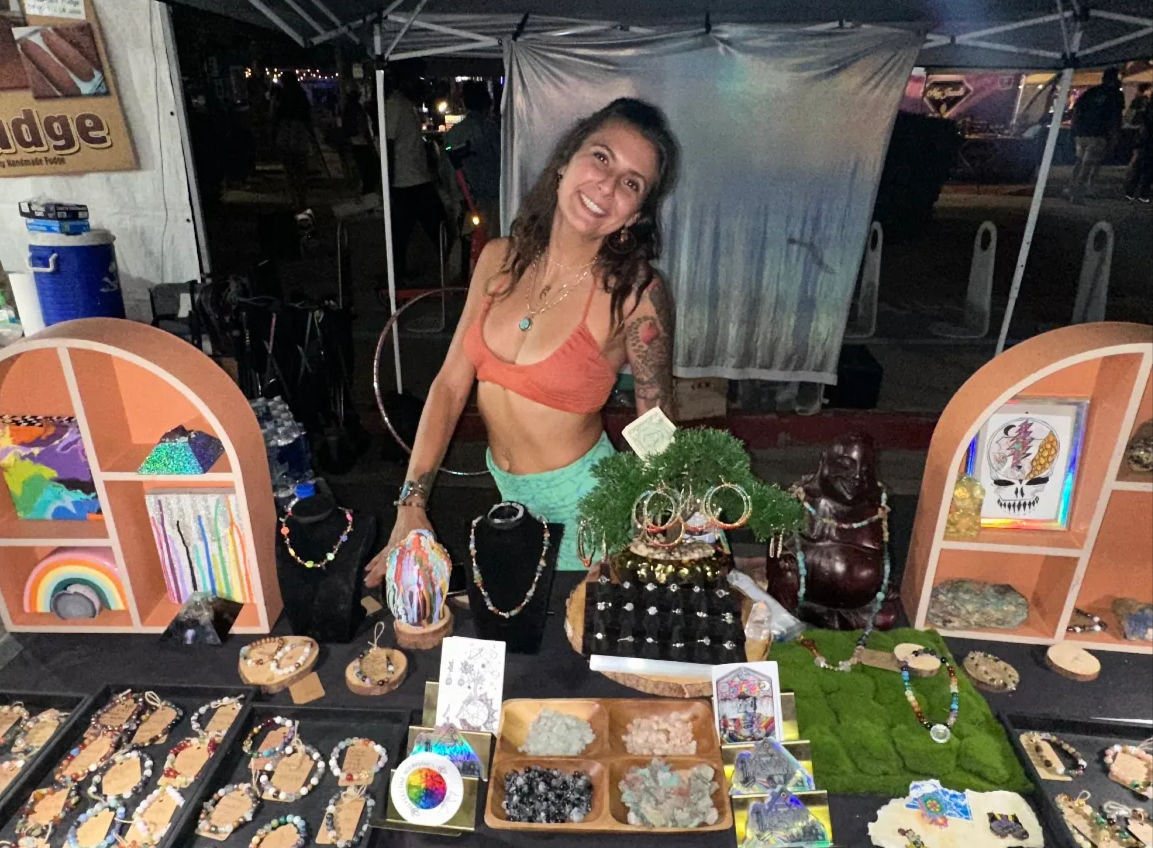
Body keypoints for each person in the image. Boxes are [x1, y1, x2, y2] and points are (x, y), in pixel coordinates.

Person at [365, 98, 679, 582]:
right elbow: (450, 386)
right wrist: (411, 502)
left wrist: (652, 528)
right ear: (564, 164)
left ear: (635, 216)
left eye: (631, 183)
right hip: (509, 499)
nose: (608, 185)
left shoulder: (637, 292)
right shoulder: (497, 260)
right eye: (601, 157)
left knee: (571, 647)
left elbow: (654, 422)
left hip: (591, 510)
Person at [384, 66, 446, 281]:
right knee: (434, 225)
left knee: (414, 229)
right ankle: (398, 273)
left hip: (414, 177)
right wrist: (388, 181)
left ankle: (400, 272)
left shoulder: (405, 105)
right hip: (407, 180)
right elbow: (388, 144)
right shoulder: (396, 105)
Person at [444, 82, 502, 236]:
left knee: (467, 243)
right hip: (491, 200)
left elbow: (446, 169)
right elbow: (501, 164)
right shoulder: (490, 130)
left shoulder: (453, 133)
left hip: (464, 200)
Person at [1066, 67, 1124, 204]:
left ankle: (1071, 188)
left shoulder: (1092, 91)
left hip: (1082, 132)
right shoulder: (1115, 95)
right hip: (1099, 133)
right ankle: (1078, 193)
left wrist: (1074, 128)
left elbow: (1077, 109)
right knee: (1089, 163)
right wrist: (1115, 136)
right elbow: (1116, 117)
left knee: (1080, 162)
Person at [272, 72, 314, 211]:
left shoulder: (281, 96)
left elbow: (275, 116)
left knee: (290, 170)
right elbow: (308, 116)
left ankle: (295, 199)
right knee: (301, 169)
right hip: (299, 133)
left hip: (286, 133)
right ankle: (301, 199)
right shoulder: (301, 95)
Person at [342, 86, 378, 195]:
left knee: (363, 171)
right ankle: (367, 193)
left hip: (355, 143)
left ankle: (365, 192)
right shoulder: (357, 109)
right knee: (369, 171)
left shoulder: (348, 109)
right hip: (361, 143)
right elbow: (363, 128)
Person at [1124, 94, 1153, 203]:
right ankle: (1143, 193)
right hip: (1148, 142)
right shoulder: (1147, 111)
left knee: (1138, 167)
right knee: (1147, 170)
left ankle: (1131, 192)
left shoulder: (1145, 111)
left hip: (1144, 141)